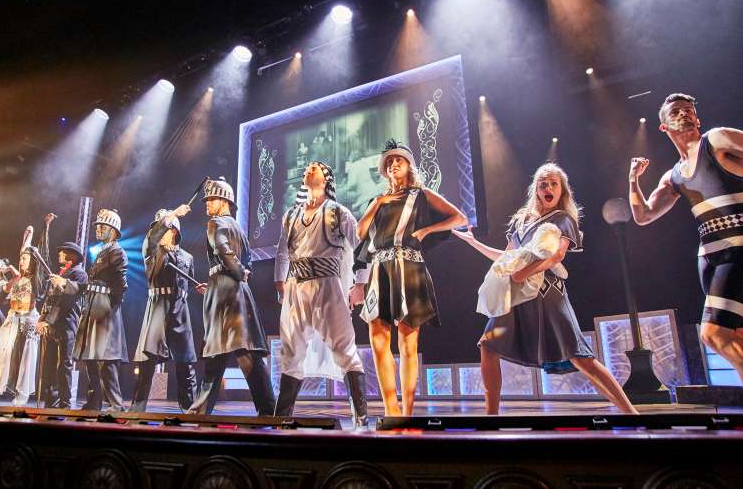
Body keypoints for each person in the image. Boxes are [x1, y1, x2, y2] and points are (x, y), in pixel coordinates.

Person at [454, 163, 638, 415]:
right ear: (536, 189)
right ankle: (491, 416)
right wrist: (473, 242)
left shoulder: (563, 219)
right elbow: (506, 258)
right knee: (488, 345)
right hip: (516, 293)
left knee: (580, 357)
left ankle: (631, 413)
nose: (548, 187)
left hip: (548, 291)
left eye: (553, 183)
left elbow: (556, 256)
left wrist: (524, 272)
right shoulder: (520, 220)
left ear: (562, 190)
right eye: (543, 184)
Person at [629, 93, 743, 380]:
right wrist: (633, 180)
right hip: (710, 257)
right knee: (736, 335)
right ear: (663, 127)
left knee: (714, 333)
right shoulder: (674, 176)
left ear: (697, 118)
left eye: (689, 110)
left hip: (738, 248)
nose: (684, 114)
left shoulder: (716, 140)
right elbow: (643, 215)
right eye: (676, 111)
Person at [352, 139, 467, 416]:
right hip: (379, 269)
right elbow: (360, 234)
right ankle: (391, 410)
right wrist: (378, 203)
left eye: (398, 161)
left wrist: (427, 231)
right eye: (389, 162)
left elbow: (459, 217)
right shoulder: (376, 201)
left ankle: (407, 413)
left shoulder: (421, 194)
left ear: (408, 166)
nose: (393, 165)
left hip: (409, 267)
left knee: (407, 342)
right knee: (378, 339)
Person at [273, 162, 369, 427]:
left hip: (328, 285)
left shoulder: (338, 212)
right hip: (296, 286)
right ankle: (282, 418)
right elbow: (283, 250)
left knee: (344, 346)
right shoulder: (291, 215)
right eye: (307, 167)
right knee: (291, 351)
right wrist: (279, 280)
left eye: (314, 167)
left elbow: (361, 246)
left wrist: (359, 283)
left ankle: (361, 415)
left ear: (326, 178)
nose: (308, 169)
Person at [188, 177, 275, 415]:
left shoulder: (215, 223)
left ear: (224, 200)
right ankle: (202, 410)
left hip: (226, 295)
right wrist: (229, 276)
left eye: (211, 199)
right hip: (233, 290)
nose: (207, 204)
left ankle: (267, 409)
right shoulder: (239, 228)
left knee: (238, 353)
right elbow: (247, 263)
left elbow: (224, 251)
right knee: (229, 354)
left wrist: (232, 273)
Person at [51, 208, 128, 412]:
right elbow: (87, 286)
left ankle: (115, 404)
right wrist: (66, 285)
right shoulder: (102, 252)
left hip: (103, 309)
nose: (98, 229)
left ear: (112, 229)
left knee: (105, 359)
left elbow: (121, 285)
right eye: (98, 226)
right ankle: (94, 402)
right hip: (93, 307)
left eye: (102, 226)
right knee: (91, 359)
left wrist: (110, 307)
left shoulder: (116, 251)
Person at [130, 205, 197, 412]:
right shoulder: (151, 250)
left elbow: (188, 285)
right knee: (148, 362)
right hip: (158, 308)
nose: (159, 231)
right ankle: (137, 408)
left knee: (186, 363)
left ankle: (189, 409)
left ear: (174, 231)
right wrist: (173, 214)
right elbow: (153, 234)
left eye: (165, 228)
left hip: (180, 310)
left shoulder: (188, 258)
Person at [36, 212, 88, 408]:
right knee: (48, 364)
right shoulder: (59, 274)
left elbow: (66, 301)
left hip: (66, 324)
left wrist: (63, 284)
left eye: (62, 251)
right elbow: (49, 300)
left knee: (64, 364)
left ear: (71, 256)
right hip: (51, 324)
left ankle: (65, 403)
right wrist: (42, 319)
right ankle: (51, 400)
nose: (59, 254)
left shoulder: (79, 274)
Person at [0, 226, 42, 406]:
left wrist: (43, 229)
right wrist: (26, 237)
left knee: (26, 357)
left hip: (28, 318)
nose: (21, 261)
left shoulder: (35, 279)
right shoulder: (18, 279)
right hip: (12, 317)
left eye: (24, 258)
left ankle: (22, 394)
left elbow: (39, 252)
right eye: (20, 258)